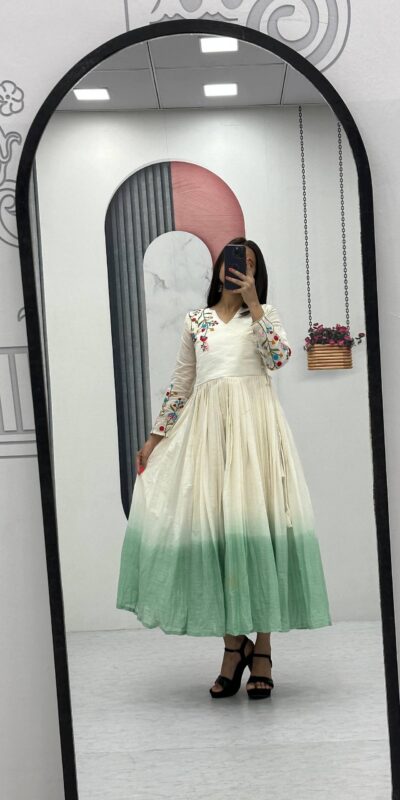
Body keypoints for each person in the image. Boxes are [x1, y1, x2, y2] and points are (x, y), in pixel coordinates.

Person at [116, 236, 332, 700]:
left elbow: (278, 359)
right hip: (208, 437)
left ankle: (263, 649)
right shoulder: (197, 321)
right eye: (235, 261)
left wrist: (254, 304)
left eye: (249, 263)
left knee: (261, 530)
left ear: (256, 274)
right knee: (216, 534)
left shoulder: (264, 316)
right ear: (219, 268)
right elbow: (182, 383)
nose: (239, 268)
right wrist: (154, 439)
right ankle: (234, 647)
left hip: (257, 436)